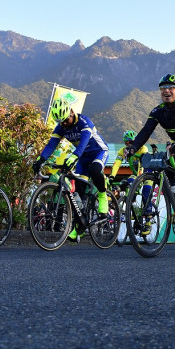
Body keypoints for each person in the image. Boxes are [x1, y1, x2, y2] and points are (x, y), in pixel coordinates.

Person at [125, 74, 175, 229]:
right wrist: (133, 147)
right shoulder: (158, 111)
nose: (166, 91)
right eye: (163, 88)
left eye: (171, 88)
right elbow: (145, 132)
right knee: (167, 172)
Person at [31, 96, 110, 241]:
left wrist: (74, 156)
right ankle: (79, 226)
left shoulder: (84, 122)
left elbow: (84, 141)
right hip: (83, 157)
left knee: (94, 169)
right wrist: (40, 159)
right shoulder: (62, 127)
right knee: (78, 190)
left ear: (72, 112)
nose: (65, 124)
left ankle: (102, 195)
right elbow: (51, 144)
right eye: (61, 122)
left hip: (98, 152)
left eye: (66, 120)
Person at [109, 130, 148, 196]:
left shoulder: (143, 148)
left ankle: (147, 206)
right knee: (129, 181)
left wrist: (139, 178)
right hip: (136, 172)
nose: (129, 144)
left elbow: (142, 165)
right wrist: (112, 176)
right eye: (126, 143)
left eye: (131, 142)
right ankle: (131, 203)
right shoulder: (123, 150)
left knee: (147, 189)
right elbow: (116, 164)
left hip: (146, 171)